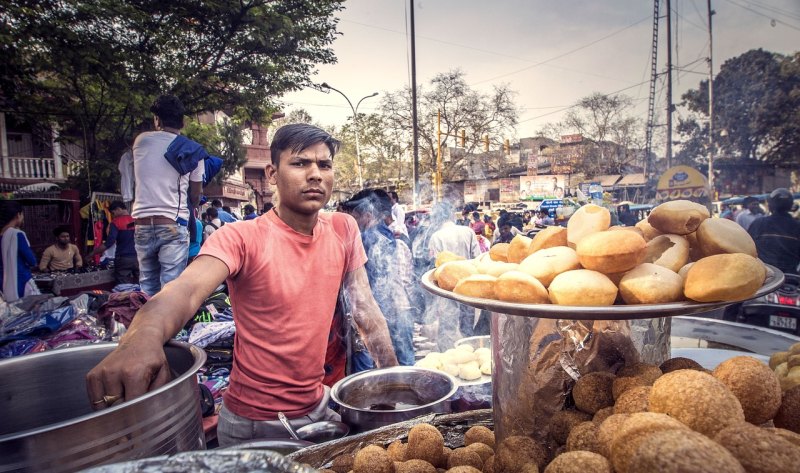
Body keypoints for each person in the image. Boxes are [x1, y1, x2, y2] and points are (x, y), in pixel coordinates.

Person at [86, 123, 397, 447]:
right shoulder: (241, 237)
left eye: (324, 164)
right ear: (272, 173)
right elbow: (185, 290)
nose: (315, 174)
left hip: (318, 406)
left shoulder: (343, 228)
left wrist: (395, 383)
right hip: (255, 423)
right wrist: (142, 337)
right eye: (301, 163)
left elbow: (365, 308)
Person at [131, 95, 204, 296]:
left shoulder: (141, 141)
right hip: (172, 222)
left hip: (142, 224)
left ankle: (147, 326)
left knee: (147, 288)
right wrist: (193, 202)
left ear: (157, 120)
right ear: (183, 122)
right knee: (171, 290)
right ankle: (172, 328)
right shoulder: (192, 150)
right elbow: (196, 194)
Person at [343, 188, 415, 368]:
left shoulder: (368, 238)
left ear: (366, 215)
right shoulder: (388, 234)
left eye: (355, 217)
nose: (353, 223)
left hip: (385, 311)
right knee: (406, 362)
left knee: (390, 366)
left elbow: (370, 285)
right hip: (400, 308)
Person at [427, 203, 481, 350]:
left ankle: (450, 354)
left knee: (448, 327)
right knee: (468, 325)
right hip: (468, 285)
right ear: (451, 215)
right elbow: (477, 258)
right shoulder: (468, 232)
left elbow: (435, 266)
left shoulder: (436, 237)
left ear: (437, 219)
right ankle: (470, 351)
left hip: (447, 289)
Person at [748, 188, 800, 275]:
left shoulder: (758, 223)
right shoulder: (797, 226)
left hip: (765, 276)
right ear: (790, 205)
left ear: (771, 205)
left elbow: (748, 249)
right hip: (791, 277)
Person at [89, 201, 138, 284]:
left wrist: (92, 254)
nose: (113, 216)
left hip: (123, 258)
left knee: (123, 287)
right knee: (142, 285)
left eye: (113, 213)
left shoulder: (116, 222)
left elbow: (109, 242)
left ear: (118, 209)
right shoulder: (136, 221)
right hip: (138, 258)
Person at [0, 201, 38, 302]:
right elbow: (32, 261)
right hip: (20, 281)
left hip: (2, 284)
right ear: (18, 215)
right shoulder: (17, 235)